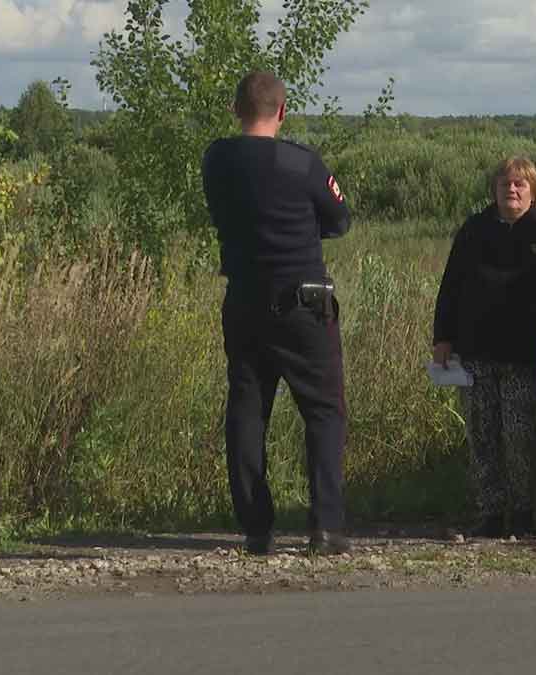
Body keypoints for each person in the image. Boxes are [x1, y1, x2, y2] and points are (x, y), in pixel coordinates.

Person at [201, 71, 352, 556]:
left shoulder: (216, 159)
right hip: (302, 303)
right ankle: (326, 527)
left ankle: (256, 528)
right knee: (324, 412)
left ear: (235, 108)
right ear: (282, 111)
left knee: (247, 409)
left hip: (243, 299)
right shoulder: (301, 163)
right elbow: (339, 218)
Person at [433, 157, 536, 538]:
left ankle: (524, 514)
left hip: (520, 352)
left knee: (519, 435)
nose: (511, 190)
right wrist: (442, 338)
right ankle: (490, 514)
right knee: (482, 435)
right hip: (473, 351)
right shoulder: (474, 229)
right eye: (505, 185)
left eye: (520, 185)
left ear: (533, 191)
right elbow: (451, 286)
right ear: (494, 190)